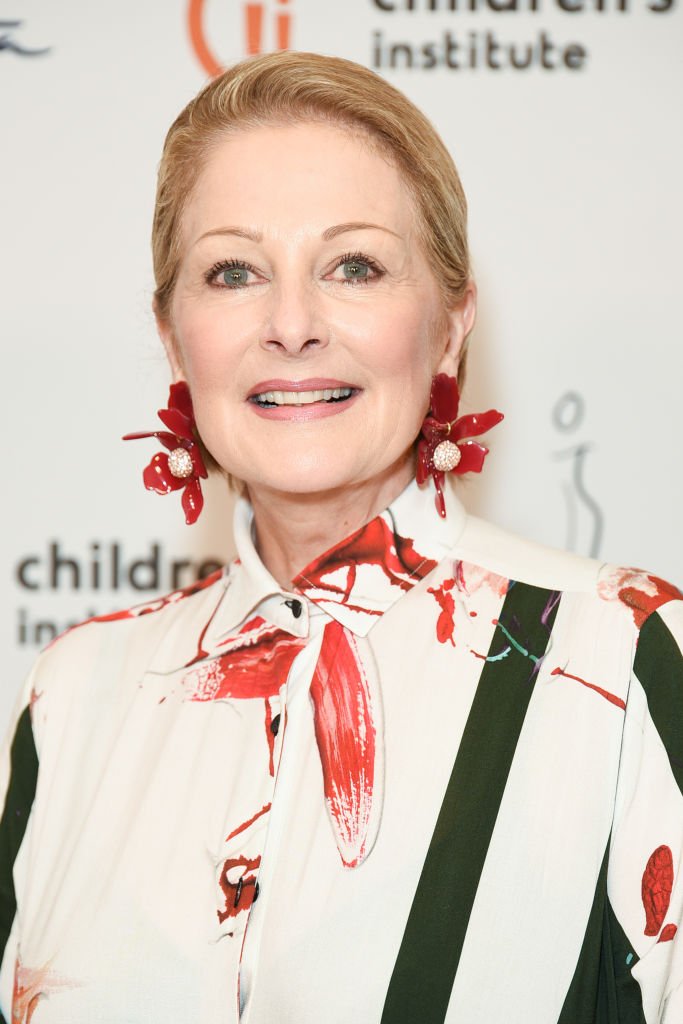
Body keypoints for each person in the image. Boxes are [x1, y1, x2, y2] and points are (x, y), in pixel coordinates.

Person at [0, 50, 681, 1024]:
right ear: (171, 335)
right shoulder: (73, 697)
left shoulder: (615, 657)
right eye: (232, 271)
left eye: (352, 265)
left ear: (449, 323)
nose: (290, 323)